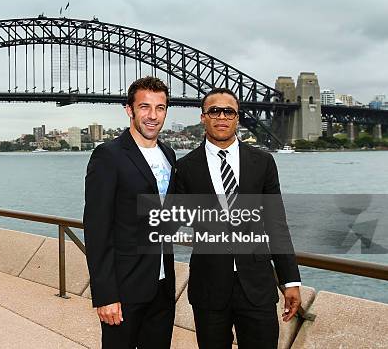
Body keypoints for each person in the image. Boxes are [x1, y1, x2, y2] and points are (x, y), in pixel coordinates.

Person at [174, 87, 302, 349]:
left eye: (228, 111)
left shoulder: (263, 162)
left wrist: (290, 281)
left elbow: (276, 224)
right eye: (214, 111)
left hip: (257, 286)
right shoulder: (185, 167)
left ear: (237, 117)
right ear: (203, 117)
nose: (221, 117)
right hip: (208, 288)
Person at [84, 76, 177, 348]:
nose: (153, 115)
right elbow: (97, 228)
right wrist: (105, 295)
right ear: (129, 110)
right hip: (123, 290)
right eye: (145, 107)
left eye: (160, 108)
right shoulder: (108, 156)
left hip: (161, 286)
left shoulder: (168, 155)